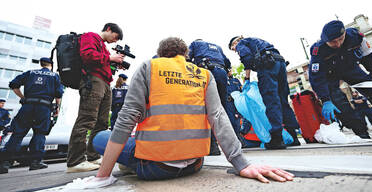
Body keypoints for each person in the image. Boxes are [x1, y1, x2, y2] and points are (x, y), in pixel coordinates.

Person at [85, 37, 294, 187]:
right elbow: (219, 117)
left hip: (156, 168)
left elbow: (127, 118)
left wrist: (102, 176)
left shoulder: (150, 67)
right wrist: (241, 164)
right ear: (186, 55)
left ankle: (128, 166)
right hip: (195, 164)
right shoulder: (203, 74)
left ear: (160, 54)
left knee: (101, 137)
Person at [308, 20, 372, 137]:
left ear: (344, 34)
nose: (338, 44)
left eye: (340, 39)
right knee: (339, 103)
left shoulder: (356, 37)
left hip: (351, 68)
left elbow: (368, 56)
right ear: (325, 40)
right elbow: (316, 78)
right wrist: (325, 99)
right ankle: (361, 133)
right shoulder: (318, 51)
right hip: (330, 75)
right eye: (333, 42)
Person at [66, 23, 125, 173]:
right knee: (87, 119)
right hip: (93, 81)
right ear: (109, 29)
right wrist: (110, 57)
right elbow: (87, 56)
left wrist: (113, 62)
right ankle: (75, 161)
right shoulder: (90, 36)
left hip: (105, 82)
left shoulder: (103, 47)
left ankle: (92, 156)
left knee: (102, 122)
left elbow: (102, 61)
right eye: (115, 37)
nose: (114, 41)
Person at [228, 36, 301, 150]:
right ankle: (293, 136)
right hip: (279, 63)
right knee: (282, 100)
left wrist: (246, 78)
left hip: (267, 65)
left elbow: (246, 58)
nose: (236, 51)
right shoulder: (256, 41)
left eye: (234, 48)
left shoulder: (241, 43)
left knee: (271, 100)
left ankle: (277, 138)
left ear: (236, 42)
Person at [0, 57, 63, 174]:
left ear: (41, 64)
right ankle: (35, 162)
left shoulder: (30, 73)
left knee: (17, 134)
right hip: (43, 108)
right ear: (50, 65)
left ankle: (4, 163)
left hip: (27, 106)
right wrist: (57, 108)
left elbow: (13, 84)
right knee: (39, 134)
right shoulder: (54, 76)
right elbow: (58, 94)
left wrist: (23, 97)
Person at [188, 39, 232, 155]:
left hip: (207, 72)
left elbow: (186, 58)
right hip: (222, 74)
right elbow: (228, 63)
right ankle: (231, 143)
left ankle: (212, 146)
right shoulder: (218, 46)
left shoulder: (195, 44)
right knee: (221, 110)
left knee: (206, 108)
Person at [226, 68, 242, 140]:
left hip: (235, 104)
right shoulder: (222, 80)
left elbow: (241, 92)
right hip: (227, 104)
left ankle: (238, 139)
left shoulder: (235, 81)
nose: (230, 71)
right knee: (229, 123)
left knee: (236, 124)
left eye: (230, 70)